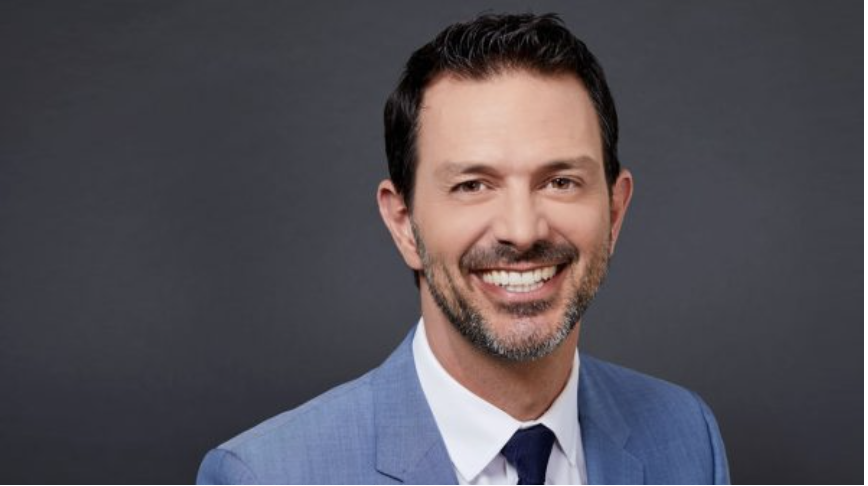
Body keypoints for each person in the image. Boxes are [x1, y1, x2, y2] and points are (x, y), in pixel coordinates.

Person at [197, 13, 729, 485]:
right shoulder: (267, 475)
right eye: (473, 185)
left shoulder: (687, 438)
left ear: (615, 212)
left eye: (561, 181)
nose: (522, 230)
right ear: (404, 223)